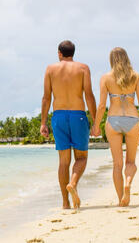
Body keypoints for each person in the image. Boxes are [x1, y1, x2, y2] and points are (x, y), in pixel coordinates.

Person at [91, 47, 139, 207]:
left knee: (117, 164)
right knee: (130, 162)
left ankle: (120, 200)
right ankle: (128, 183)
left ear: (111, 60)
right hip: (132, 120)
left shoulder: (105, 78)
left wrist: (96, 126)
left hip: (113, 120)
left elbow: (102, 105)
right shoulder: (135, 76)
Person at [40, 40, 97, 210]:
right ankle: (72, 183)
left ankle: (65, 203)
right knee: (81, 158)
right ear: (73, 52)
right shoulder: (83, 68)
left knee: (63, 162)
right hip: (77, 115)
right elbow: (89, 95)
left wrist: (43, 122)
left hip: (58, 116)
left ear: (59, 53)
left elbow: (46, 98)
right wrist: (95, 121)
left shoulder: (50, 69)